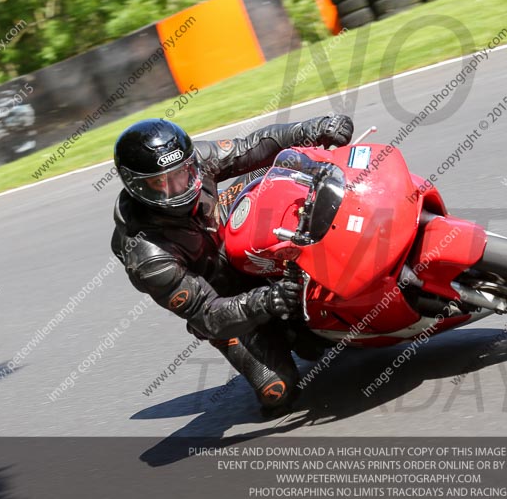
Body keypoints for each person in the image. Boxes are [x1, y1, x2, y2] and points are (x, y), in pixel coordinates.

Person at [110, 115, 353, 416]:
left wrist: (313, 129)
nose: (179, 186)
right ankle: (283, 331)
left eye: (183, 173)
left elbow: (251, 146)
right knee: (277, 391)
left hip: (232, 236)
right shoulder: (147, 256)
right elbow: (207, 316)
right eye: (161, 183)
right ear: (137, 187)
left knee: (279, 166)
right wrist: (265, 301)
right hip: (223, 299)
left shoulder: (195, 159)